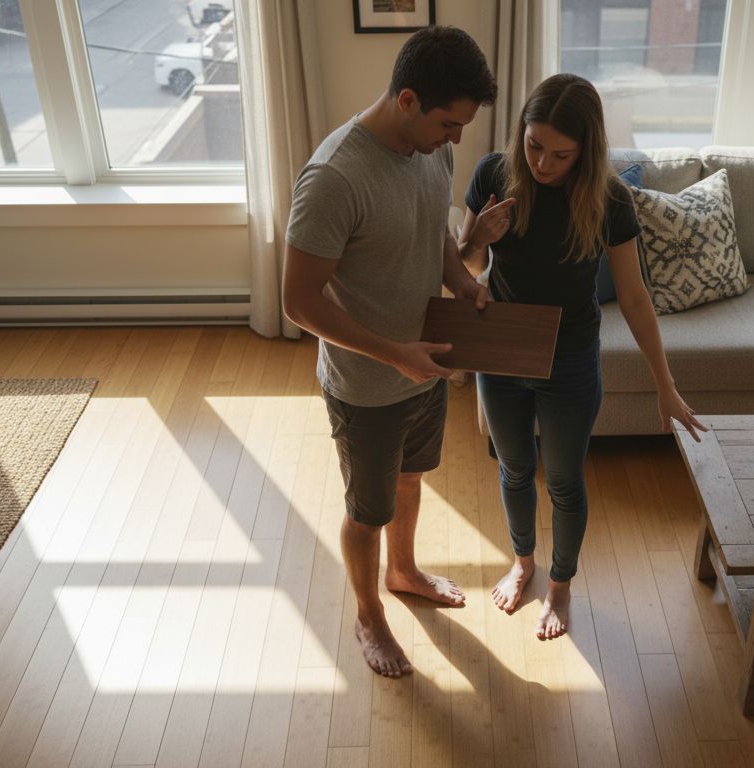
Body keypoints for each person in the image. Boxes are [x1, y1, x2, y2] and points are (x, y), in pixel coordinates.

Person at [459, 73, 708, 641]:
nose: (542, 163)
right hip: (503, 348)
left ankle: (561, 585)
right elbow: (465, 268)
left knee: (565, 480)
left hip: (569, 357)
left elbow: (635, 297)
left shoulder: (610, 199)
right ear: (521, 132)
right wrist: (478, 240)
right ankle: (523, 562)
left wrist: (665, 385)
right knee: (514, 467)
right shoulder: (493, 175)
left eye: (560, 154)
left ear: (586, 149)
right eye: (534, 146)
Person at [282, 26, 496, 678]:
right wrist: (395, 354)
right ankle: (369, 614)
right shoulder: (334, 178)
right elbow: (298, 302)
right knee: (366, 511)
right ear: (407, 100)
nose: (455, 138)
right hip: (367, 386)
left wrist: (462, 281)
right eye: (448, 123)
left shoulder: (432, 150)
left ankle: (403, 572)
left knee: (410, 479)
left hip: (424, 365)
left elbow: (434, 228)